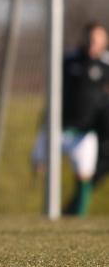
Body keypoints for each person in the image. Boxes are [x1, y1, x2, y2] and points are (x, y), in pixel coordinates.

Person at [30, 22, 109, 216]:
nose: (93, 43)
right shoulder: (69, 61)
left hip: (85, 132)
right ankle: (42, 213)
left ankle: (77, 219)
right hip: (57, 127)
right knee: (38, 165)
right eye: (91, 38)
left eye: (98, 39)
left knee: (85, 175)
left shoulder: (106, 65)